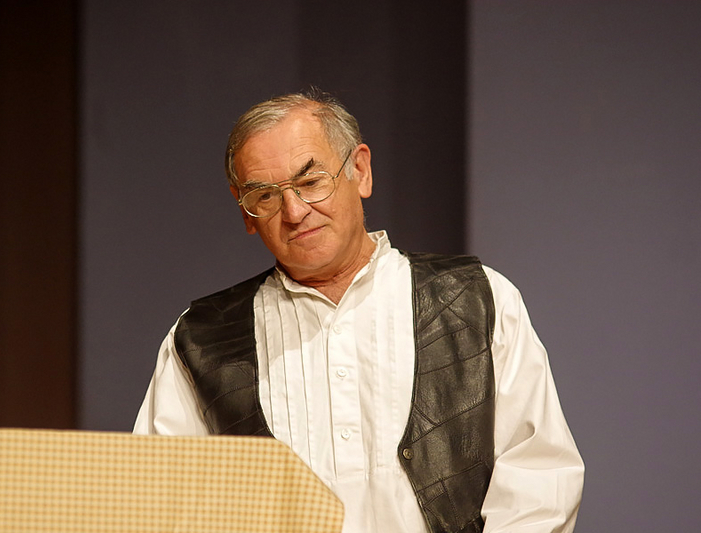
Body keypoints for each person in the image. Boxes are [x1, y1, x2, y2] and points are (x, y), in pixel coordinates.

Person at [133, 90, 584, 533]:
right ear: (246, 211)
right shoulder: (202, 339)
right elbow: (158, 504)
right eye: (266, 196)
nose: (294, 211)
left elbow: (539, 480)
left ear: (360, 171)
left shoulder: (475, 299)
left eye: (311, 182)